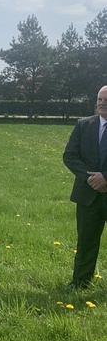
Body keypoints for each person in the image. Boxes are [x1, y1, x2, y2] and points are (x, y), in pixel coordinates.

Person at [63, 85, 107, 290]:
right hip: (88, 195)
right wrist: (91, 179)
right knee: (86, 242)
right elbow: (70, 156)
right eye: (100, 99)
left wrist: (105, 177)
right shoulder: (83, 125)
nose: (102, 103)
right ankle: (80, 283)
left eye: (106, 99)